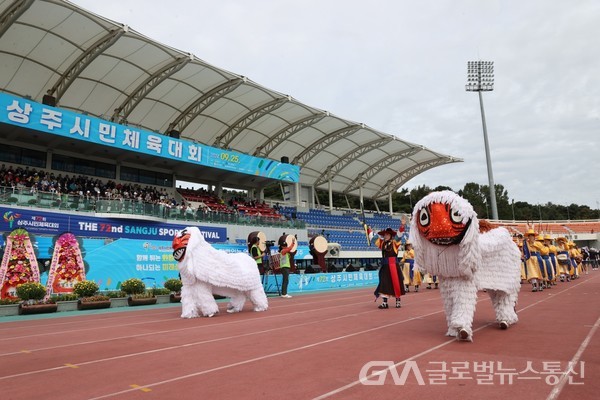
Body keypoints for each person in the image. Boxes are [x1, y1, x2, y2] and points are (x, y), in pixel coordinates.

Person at [373, 227, 405, 309]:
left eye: (387, 234)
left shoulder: (395, 243)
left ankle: (398, 301)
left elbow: (399, 236)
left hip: (393, 265)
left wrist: (402, 226)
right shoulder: (382, 243)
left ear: (391, 235)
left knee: (396, 283)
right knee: (384, 284)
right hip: (385, 266)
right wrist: (367, 228)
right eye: (384, 235)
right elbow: (373, 238)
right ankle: (384, 302)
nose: (385, 236)